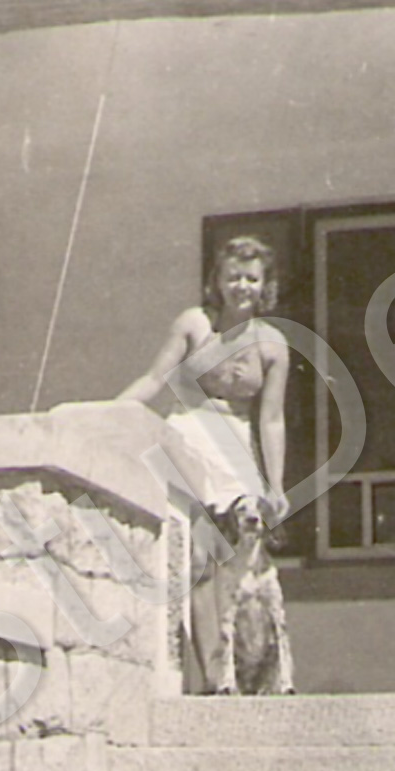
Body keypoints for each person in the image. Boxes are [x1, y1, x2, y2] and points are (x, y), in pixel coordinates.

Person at [117, 235, 289, 693]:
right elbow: (154, 379)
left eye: (251, 278)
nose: (241, 287)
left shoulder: (272, 345)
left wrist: (275, 485)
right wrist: (109, 414)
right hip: (188, 439)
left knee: (240, 565)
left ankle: (247, 675)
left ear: (265, 285)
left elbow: (271, 419)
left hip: (236, 451)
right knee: (199, 558)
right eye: (233, 276)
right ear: (217, 280)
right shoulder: (195, 324)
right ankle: (216, 680)